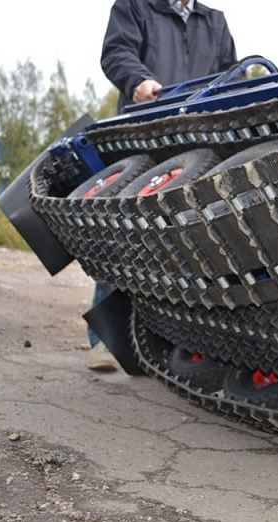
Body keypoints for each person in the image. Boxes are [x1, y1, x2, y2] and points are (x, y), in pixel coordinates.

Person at [87, 0, 237, 371]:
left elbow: (230, 77)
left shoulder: (214, 21)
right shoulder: (135, 7)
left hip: (197, 143)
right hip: (144, 137)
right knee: (126, 235)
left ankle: (173, 343)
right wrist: (138, 81)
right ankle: (107, 343)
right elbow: (116, 52)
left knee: (186, 241)